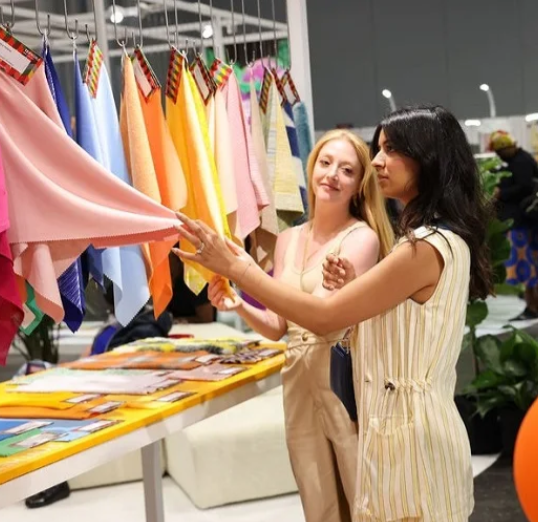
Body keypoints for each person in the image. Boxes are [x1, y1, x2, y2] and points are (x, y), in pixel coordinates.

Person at [176, 105, 492, 522]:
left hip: (407, 434)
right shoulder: (432, 241)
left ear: (428, 158)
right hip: (398, 424)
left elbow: (325, 318)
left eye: (391, 150)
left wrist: (239, 269)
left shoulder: (421, 247)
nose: (377, 162)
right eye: (378, 150)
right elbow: (394, 321)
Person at [206, 129, 392, 522]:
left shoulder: (362, 238)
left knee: (362, 493)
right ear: (311, 168)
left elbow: (320, 314)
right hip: (297, 379)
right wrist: (239, 304)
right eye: (326, 163)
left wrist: (244, 271)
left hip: (343, 378)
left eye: (347, 170)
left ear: (359, 185)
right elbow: (279, 326)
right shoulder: (288, 239)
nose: (333, 175)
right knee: (315, 494)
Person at [488, 130, 538, 321]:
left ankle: (532, 306)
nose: (499, 156)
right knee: (537, 262)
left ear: (506, 148)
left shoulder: (520, 162)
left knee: (525, 265)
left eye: (500, 152)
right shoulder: (523, 159)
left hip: (521, 223)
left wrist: (501, 193)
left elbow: (524, 187)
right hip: (533, 221)